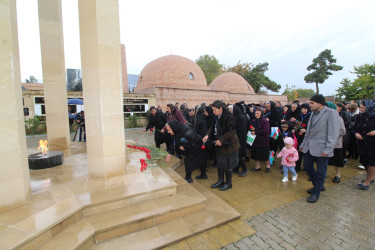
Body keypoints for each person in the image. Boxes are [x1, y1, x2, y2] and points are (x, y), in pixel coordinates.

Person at [299, 94, 341, 203]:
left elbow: (334, 133)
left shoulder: (332, 113)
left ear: (320, 103)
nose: (310, 105)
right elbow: (308, 132)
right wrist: (303, 144)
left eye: (312, 103)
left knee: (321, 171)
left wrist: (328, 149)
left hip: (323, 148)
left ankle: (316, 192)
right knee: (307, 166)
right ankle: (318, 185)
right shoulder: (313, 113)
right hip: (309, 146)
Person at [203, 100, 240, 191]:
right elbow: (212, 127)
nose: (213, 112)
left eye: (215, 110)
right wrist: (207, 135)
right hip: (219, 145)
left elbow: (232, 131)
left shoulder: (228, 117)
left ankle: (228, 183)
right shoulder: (215, 117)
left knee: (227, 165)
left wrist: (221, 140)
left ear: (220, 108)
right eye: (213, 110)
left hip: (229, 145)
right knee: (220, 163)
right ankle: (220, 180)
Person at [354, 100, 375, 190]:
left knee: (371, 162)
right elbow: (354, 127)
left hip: (372, 144)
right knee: (364, 161)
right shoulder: (360, 117)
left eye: (362, 107)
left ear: (368, 107)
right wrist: (356, 134)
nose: (360, 109)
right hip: (362, 143)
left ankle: (367, 182)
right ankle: (371, 177)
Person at [229, 105, 248, 177]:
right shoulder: (236, 116)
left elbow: (242, 130)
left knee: (239, 155)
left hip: (240, 139)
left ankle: (244, 169)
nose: (230, 112)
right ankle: (236, 168)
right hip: (236, 139)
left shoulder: (241, 117)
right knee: (236, 155)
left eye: (230, 110)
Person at [249, 108, 270, 172]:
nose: (256, 115)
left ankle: (268, 167)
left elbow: (266, 130)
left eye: (258, 113)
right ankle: (257, 167)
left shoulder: (264, 121)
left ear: (261, 114)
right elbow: (250, 126)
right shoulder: (253, 120)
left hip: (263, 141)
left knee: (265, 155)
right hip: (255, 140)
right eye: (255, 113)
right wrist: (251, 128)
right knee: (256, 154)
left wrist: (256, 132)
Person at [193, 106, 209, 179]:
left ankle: (203, 174)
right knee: (204, 156)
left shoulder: (198, 118)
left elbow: (195, 130)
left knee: (200, 156)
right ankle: (204, 172)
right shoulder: (205, 118)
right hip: (206, 138)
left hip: (200, 139)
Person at [295, 103, 311, 171]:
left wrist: (306, 130)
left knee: (307, 153)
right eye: (302, 109)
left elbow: (313, 127)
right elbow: (297, 125)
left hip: (308, 137)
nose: (303, 110)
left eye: (305, 109)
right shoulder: (299, 115)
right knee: (299, 151)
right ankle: (297, 166)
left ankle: (307, 167)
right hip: (300, 136)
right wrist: (295, 128)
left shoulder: (311, 116)